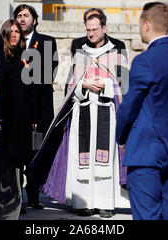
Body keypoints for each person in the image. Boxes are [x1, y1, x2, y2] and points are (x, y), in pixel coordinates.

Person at [33, 13, 130, 218]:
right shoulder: (80, 54)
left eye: (95, 29)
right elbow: (70, 85)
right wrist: (83, 84)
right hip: (82, 110)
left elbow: (124, 86)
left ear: (104, 28)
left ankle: (105, 204)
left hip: (106, 112)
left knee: (105, 159)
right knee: (82, 158)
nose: (91, 33)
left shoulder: (116, 53)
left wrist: (104, 86)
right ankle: (83, 203)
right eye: (88, 30)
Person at [116, 2, 168, 220]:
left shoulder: (145, 61)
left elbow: (129, 106)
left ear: (146, 24)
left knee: (146, 214)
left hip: (146, 150)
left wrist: (121, 136)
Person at [13, 4, 58, 209]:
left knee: (34, 152)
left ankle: (33, 195)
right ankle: (16, 197)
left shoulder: (47, 42)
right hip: (17, 110)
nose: (22, 19)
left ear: (34, 19)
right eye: (19, 16)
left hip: (38, 110)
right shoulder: (11, 42)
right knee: (17, 153)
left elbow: (46, 75)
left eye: (26, 16)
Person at [0, 19, 37, 215]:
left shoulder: (25, 57)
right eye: (11, 32)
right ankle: (8, 199)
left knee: (21, 160)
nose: (14, 35)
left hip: (22, 118)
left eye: (17, 32)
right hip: (6, 118)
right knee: (8, 160)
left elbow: (31, 89)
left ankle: (19, 197)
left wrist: (33, 116)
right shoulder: (0, 57)